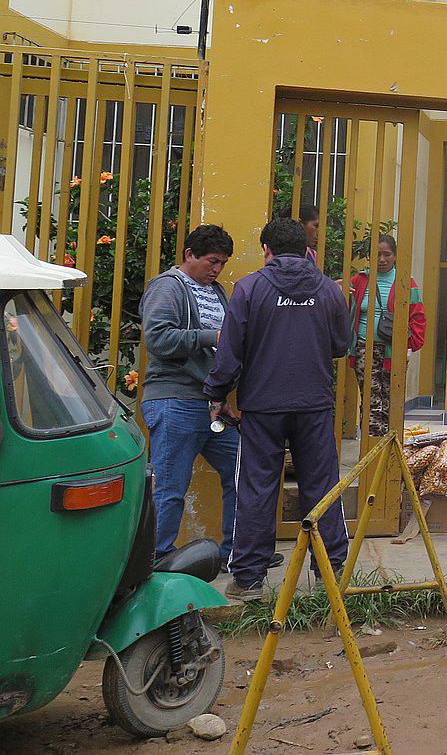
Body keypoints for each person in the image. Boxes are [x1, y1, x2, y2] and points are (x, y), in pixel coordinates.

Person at [207, 217, 352, 602]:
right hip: (314, 404)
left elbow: (230, 350)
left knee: (257, 487)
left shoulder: (250, 288)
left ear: (267, 251)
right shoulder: (329, 290)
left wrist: (217, 393)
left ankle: (249, 579)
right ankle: (331, 570)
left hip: (262, 406)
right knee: (321, 485)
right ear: (306, 249)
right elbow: (342, 345)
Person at [140, 224, 238, 569]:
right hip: (174, 400)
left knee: (241, 470)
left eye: (222, 263)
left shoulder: (218, 292)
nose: (217, 269)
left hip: (209, 404)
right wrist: (211, 336)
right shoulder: (168, 287)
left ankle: (236, 553)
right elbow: (159, 339)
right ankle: (154, 560)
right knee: (169, 487)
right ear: (189, 255)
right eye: (212, 261)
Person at [348, 234, 427, 436]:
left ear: (395, 256)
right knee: (371, 400)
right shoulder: (358, 281)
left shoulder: (405, 282)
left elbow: (417, 316)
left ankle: (390, 446)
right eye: (376, 254)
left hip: (394, 351)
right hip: (365, 348)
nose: (382, 259)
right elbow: (344, 309)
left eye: (387, 254)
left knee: (392, 400)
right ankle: (372, 448)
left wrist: (409, 345)